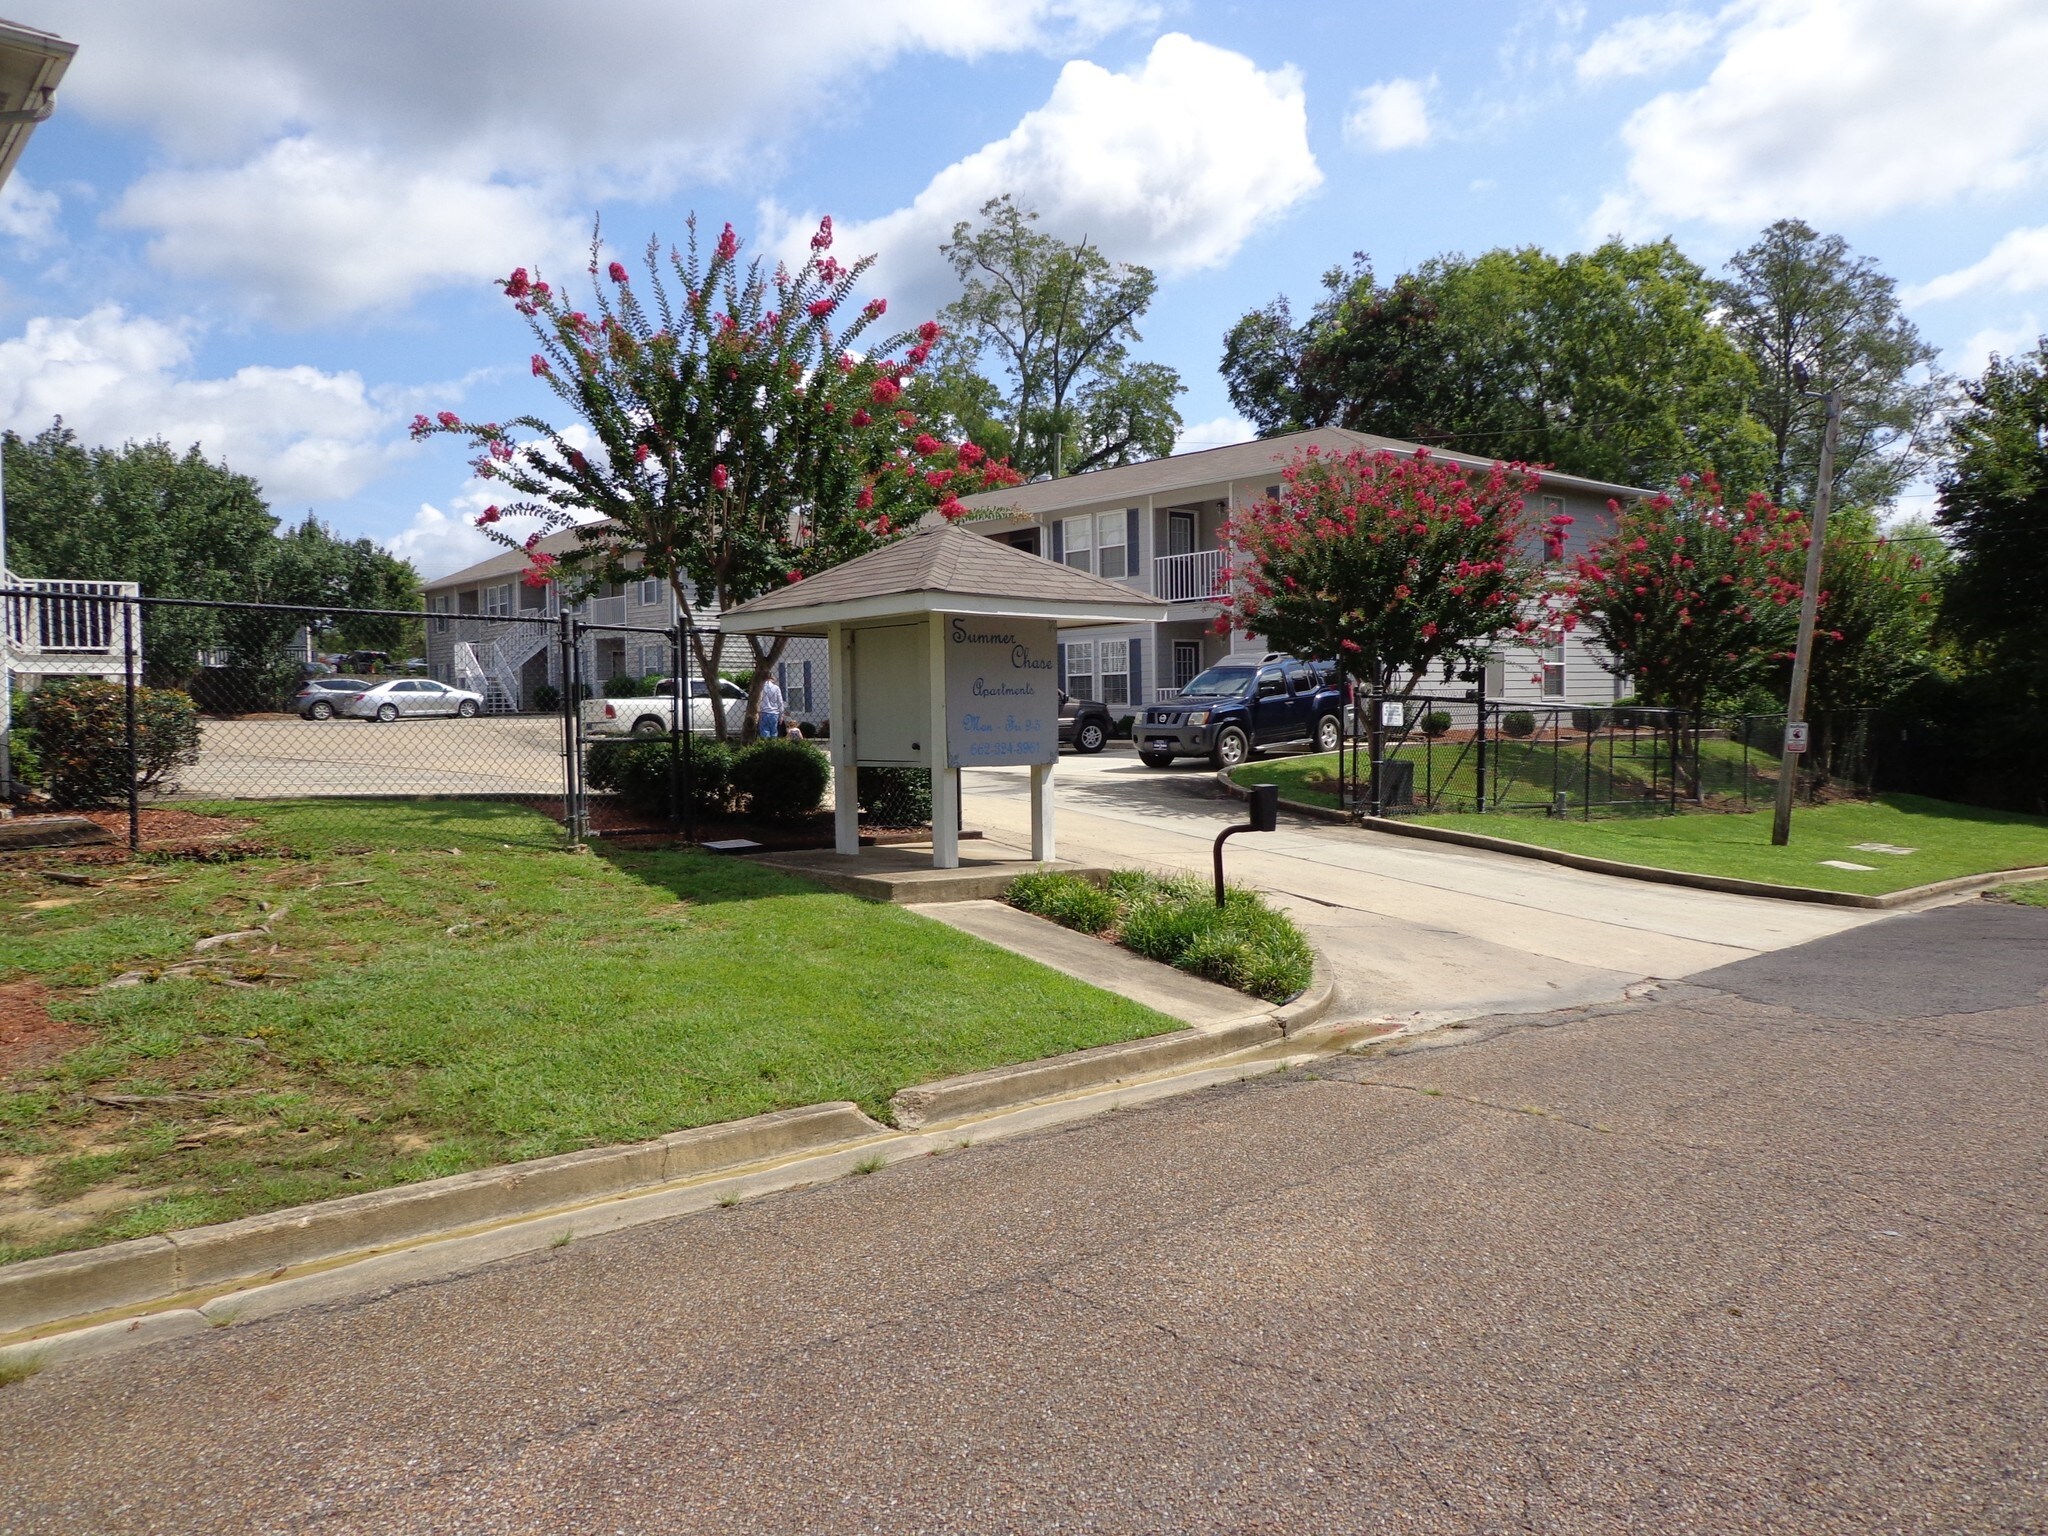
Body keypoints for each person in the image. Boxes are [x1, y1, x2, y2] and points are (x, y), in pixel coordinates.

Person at [758, 674, 785, 740]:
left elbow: (758, 700)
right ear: (771, 678)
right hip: (774, 713)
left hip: (764, 712)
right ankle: (773, 746)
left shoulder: (761, 687)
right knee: (774, 732)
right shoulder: (776, 688)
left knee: (764, 731)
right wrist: (781, 714)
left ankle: (765, 745)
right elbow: (780, 701)